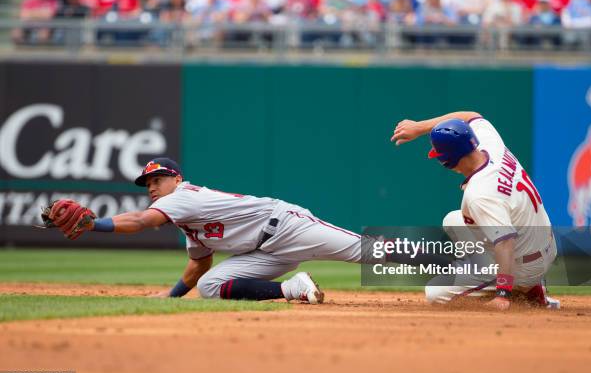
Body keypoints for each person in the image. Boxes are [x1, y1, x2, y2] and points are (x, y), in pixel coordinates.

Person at [48, 158, 372, 304]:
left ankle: (425, 259)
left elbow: (141, 221)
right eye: (148, 184)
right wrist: (171, 297)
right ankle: (293, 290)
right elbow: (199, 265)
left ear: (176, 179)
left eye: (158, 179)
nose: (152, 187)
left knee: (366, 252)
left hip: (288, 226)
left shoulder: (184, 198)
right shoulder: (184, 219)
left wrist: (94, 224)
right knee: (210, 285)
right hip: (264, 253)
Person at [391, 111, 560, 310]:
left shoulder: (480, 194)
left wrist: (502, 293)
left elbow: (505, 241)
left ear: (447, 160)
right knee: (453, 220)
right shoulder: (490, 144)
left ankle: (527, 291)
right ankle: (510, 279)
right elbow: (471, 115)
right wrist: (420, 127)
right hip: (544, 242)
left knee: (434, 292)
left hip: (525, 264)